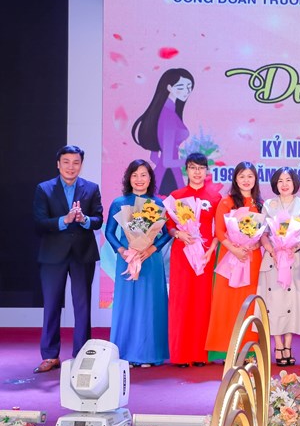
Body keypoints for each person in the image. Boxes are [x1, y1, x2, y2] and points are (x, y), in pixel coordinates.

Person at [32, 145, 103, 374]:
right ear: (58, 164)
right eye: (66, 162)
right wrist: (64, 220)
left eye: (75, 162)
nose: (71, 167)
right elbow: (39, 223)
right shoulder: (44, 189)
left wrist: (84, 219)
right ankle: (50, 355)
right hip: (53, 256)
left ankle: (82, 355)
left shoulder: (91, 188)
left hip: (83, 254)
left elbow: (99, 219)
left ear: (81, 165)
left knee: (82, 306)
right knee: (52, 305)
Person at [106, 160, 171, 367]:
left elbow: (166, 233)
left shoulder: (158, 204)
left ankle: (149, 354)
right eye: (135, 175)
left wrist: (151, 249)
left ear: (150, 178)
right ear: (129, 178)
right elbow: (109, 232)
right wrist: (123, 251)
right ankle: (125, 353)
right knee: (128, 305)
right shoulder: (119, 202)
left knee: (150, 306)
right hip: (127, 260)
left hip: (150, 261)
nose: (139, 179)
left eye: (143, 174)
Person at [166, 153, 221, 367]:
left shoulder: (215, 198)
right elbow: (169, 226)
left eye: (201, 168)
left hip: (205, 256)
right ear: (186, 170)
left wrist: (211, 250)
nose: (197, 172)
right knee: (181, 302)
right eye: (192, 167)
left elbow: (220, 230)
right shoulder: (176, 196)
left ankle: (200, 354)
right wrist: (178, 234)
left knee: (202, 302)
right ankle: (180, 354)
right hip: (182, 254)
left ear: (207, 171)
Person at [205, 162, 263, 357]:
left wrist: (256, 244)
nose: (246, 180)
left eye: (250, 176)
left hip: (252, 258)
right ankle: (225, 350)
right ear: (235, 179)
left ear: (255, 179)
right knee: (227, 302)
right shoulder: (226, 202)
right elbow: (220, 232)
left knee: (249, 303)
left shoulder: (260, 204)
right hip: (230, 257)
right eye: (242, 176)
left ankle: (249, 350)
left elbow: (264, 233)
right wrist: (235, 250)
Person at [259, 167, 300, 367]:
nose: (284, 184)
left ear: (294, 182)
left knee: (293, 302)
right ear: (275, 184)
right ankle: (278, 345)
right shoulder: (269, 205)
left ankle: (288, 345)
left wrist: (296, 246)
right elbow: (263, 234)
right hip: (273, 259)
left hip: (295, 259)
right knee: (275, 302)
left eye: (288, 180)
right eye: (280, 180)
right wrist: (272, 250)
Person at [131, 68, 196, 195]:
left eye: (189, 87)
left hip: (163, 175)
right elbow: (167, 161)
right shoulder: (169, 115)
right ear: (169, 87)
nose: (186, 91)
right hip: (169, 178)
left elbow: (154, 157)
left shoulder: (164, 111)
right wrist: (193, 162)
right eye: (181, 87)